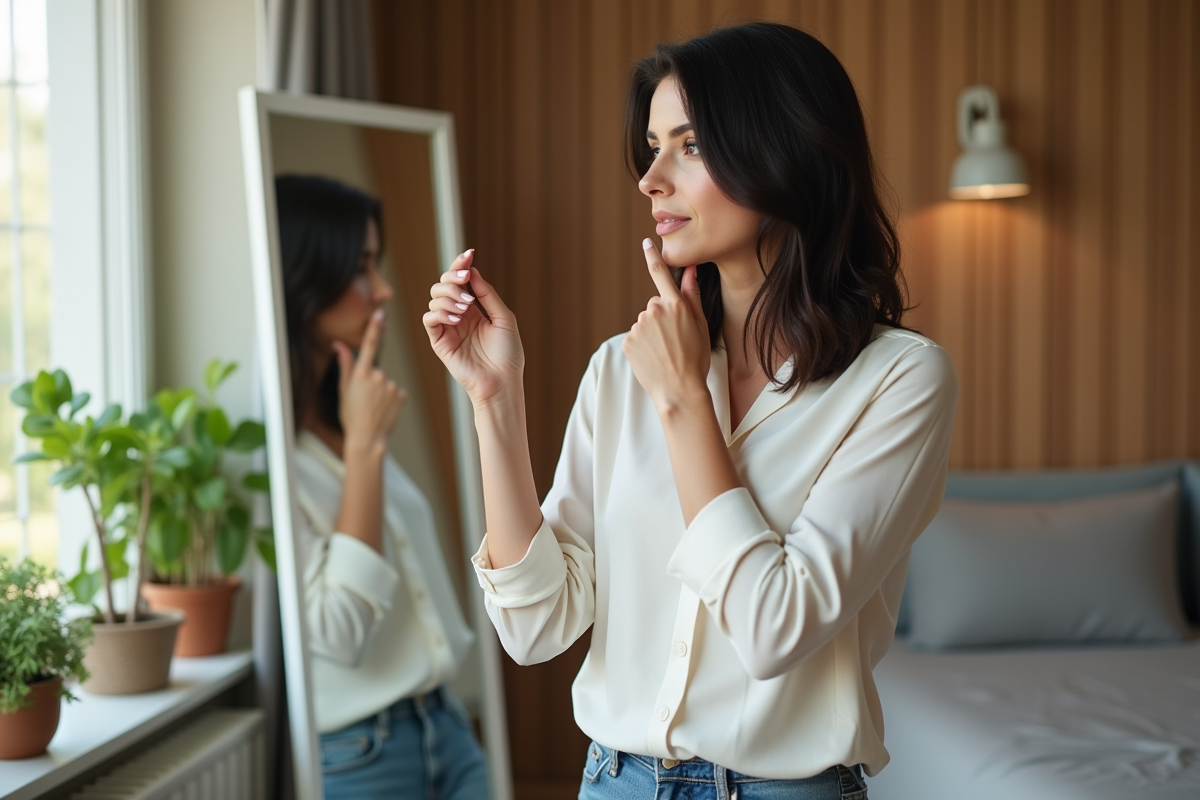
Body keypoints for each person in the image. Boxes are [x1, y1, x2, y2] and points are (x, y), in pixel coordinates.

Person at [424, 22, 957, 800]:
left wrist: (683, 403)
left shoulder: (901, 381)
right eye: (651, 146)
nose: (650, 178)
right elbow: (536, 629)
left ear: (786, 153)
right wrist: (493, 402)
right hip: (614, 781)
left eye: (691, 145)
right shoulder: (620, 368)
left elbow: (777, 625)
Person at [275, 174, 489, 800]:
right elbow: (340, 632)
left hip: (448, 729)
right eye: (362, 266)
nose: (385, 290)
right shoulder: (276, 459)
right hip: (359, 758)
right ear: (305, 276)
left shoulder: (348, 413)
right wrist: (366, 449)